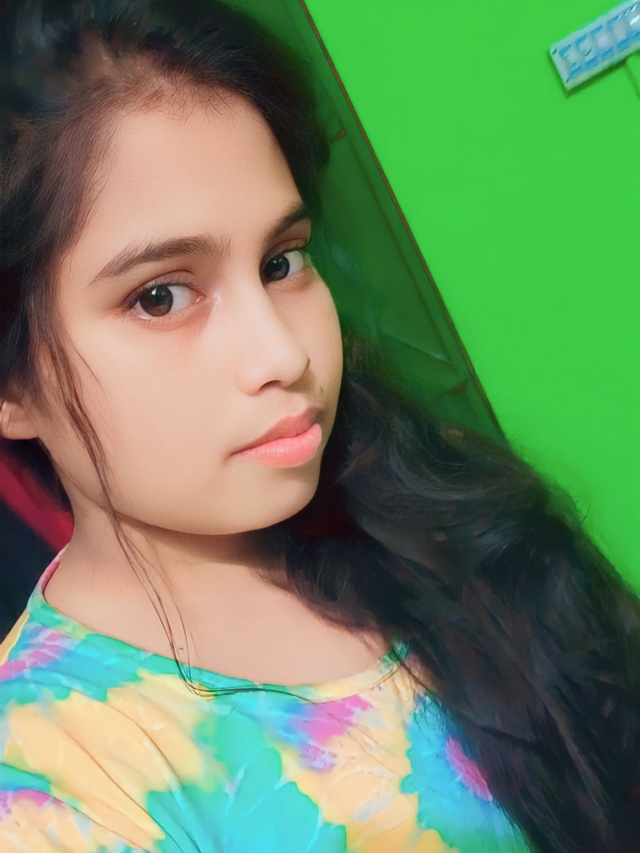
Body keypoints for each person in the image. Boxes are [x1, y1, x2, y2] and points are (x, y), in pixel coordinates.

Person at [0, 2, 638, 851]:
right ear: (13, 381)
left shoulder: (430, 514)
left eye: (282, 261)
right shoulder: (52, 784)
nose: (282, 351)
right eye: (160, 296)